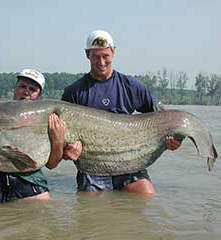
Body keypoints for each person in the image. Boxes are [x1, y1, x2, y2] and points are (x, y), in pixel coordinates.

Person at [55, 30, 182, 196]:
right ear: (87, 55)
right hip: (93, 166)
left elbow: (165, 119)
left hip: (130, 162)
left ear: (113, 52)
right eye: (96, 56)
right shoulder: (73, 92)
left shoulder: (132, 86)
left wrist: (175, 140)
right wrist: (67, 153)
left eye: (105, 56)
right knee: (89, 210)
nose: (101, 62)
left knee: (147, 196)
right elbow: (59, 136)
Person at [0, 69, 66, 207]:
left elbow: (51, 164)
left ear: (39, 96)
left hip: (29, 178)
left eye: (32, 89)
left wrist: (58, 141)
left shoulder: (50, 121)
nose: (26, 92)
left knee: (43, 204)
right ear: (15, 88)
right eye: (22, 86)